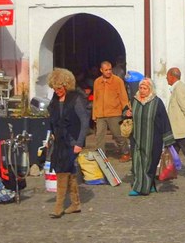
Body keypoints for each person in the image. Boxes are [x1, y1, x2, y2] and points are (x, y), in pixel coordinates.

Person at [46, 67, 88, 218]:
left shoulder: (76, 99)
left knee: (63, 171)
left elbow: (84, 121)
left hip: (72, 141)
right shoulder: (55, 100)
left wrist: (79, 142)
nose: (57, 91)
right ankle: (75, 203)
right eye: (54, 88)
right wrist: (49, 137)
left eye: (59, 88)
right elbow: (52, 121)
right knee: (69, 172)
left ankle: (58, 206)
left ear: (66, 85)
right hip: (59, 141)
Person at [129, 78, 174, 196]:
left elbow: (164, 120)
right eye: (141, 88)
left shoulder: (157, 102)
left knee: (150, 163)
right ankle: (140, 188)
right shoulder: (134, 101)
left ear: (150, 89)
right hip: (136, 138)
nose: (142, 91)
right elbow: (129, 115)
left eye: (145, 88)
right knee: (137, 163)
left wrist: (168, 140)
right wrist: (126, 114)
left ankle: (147, 186)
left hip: (153, 139)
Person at [92, 60, 131, 161]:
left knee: (118, 135)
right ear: (101, 70)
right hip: (100, 113)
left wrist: (126, 110)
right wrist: (94, 114)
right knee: (99, 136)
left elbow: (123, 96)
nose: (108, 72)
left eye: (110, 69)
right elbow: (95, 98)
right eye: (106, 70)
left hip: (114, 112)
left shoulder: (117, 81)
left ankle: (125, 152)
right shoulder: (97, 82)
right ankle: (101, 155)